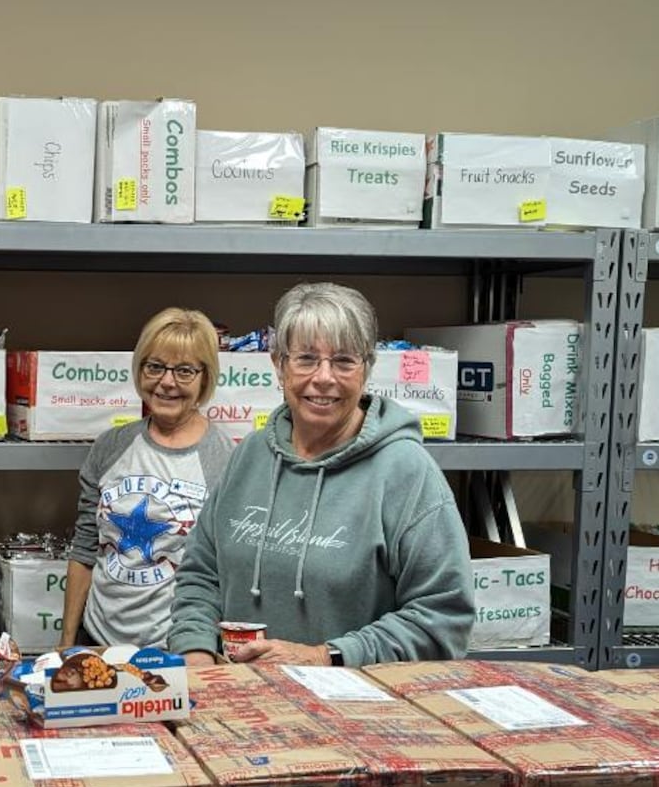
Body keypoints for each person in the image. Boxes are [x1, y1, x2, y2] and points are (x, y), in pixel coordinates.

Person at [168, 282, 473, 667]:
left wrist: (327, 656)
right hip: (240, 702)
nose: (324, 377)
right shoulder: (249, 454)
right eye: (306, 359)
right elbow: (200, 574)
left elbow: (443, 618)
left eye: (344, 360)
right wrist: (195, 652)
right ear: (279, 364)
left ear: (367, 369)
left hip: (354, 715)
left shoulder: (406, 472)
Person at [61, 308, 235, 649]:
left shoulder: (224, 457)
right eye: (155, 366)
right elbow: (84, 548)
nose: (167, 382)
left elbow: (224, 572)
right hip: (97, 639)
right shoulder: (110, 446)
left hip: (176, 648)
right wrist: (68, 641)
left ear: (205, 377)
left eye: (184, 371)